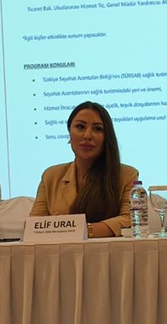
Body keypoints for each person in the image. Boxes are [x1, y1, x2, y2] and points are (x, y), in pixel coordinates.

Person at [30, 101, 138, 237]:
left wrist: (75, 229)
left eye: (97, 129)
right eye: (80, 127)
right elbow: (33, 226)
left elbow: (129, 220)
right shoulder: (51, 176)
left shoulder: (127, 175)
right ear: (69, 133)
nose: (87, 135)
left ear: (107, 137)